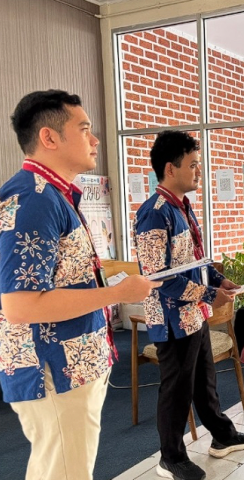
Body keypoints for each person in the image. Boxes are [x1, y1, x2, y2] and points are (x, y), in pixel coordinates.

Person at [0, 90, 160, 480]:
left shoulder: (53, 195)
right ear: (49, 137)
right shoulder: (33, 198)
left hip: (74, 361)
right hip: (54, 368)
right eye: (85, 129)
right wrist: (119, 294)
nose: (95, 140)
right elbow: (20, 306)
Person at [134, 130, 244, 480]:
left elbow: (195, 261)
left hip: (193, 314)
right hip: (171, 319)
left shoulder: (182, 207)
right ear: (170, 168)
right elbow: (157, 277)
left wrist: (217, 281)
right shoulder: (154, 213)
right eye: (193, 165)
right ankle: (170, 457)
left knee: (204, 380)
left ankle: (222, 435)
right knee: (177, 390)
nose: (198, 171)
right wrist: (208, 295)